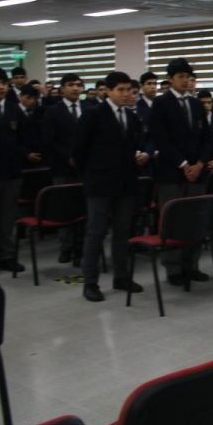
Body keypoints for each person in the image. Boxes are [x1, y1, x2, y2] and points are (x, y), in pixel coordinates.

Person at [72, 72, 148, 302]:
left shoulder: (131, 117)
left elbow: (135, 145)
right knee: (96, 232)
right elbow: (79, 152)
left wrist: (141, 155)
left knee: (123, 231)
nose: (126, 94)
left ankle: (121, 276)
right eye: (121, 90)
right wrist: (93, 174)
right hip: (100, 183)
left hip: (126, 183)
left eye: (129, 90)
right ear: (109, 91)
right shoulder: (93, 115)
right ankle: (90, 282)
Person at [149, 57, 212, 285]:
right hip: (172, 172)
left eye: (189, 77)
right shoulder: (161, 103)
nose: (186, 81)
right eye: (181, 77)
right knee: (173, 219)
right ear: (170, 79)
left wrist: (200, 164)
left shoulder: (196, 104)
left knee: (195, 219)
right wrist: (184, 164)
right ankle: (173, 267)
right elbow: (161, 139)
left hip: (197, 172)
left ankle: (192, 264)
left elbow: (206, 137)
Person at [0, 67, 26, 277]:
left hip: (11, 173)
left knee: (8, 218)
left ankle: (7, 256)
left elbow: (24, 138)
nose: (1, 87)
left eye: (4, 83)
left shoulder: (13, 109)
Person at [42, 73, 84, 263]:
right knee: (64, 208)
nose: (75, 88)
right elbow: (49, 141)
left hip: (84, 168)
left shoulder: (89, 108)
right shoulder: (53, 111)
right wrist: (68, 157)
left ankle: (80, 247)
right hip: (62, 167)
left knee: (83, 208)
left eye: (78, 85)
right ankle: (66, 247)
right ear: (62, 89)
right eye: (71, 85)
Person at [18, 84, 45, 168]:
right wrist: (25, 153)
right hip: (19, 158)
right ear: (21, 96)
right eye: (29, 97)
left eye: (35, 98)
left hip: (40, 157)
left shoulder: (39, 112)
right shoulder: (13, 111)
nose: (32, 101)